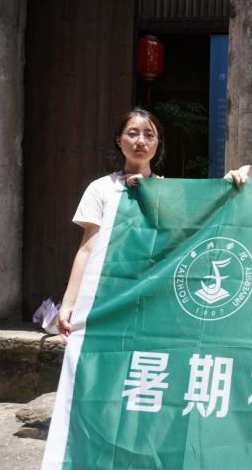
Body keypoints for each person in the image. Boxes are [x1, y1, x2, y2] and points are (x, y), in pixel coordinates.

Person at [57, 108, 165, 340]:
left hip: (153, 294)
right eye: (132, 133)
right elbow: (87, 248)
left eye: (149, 135)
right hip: (107, 292)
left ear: (157, 142)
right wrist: (69, 303)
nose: (141, 141)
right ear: (119, 140)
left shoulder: (169, 191)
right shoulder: (101, 188)